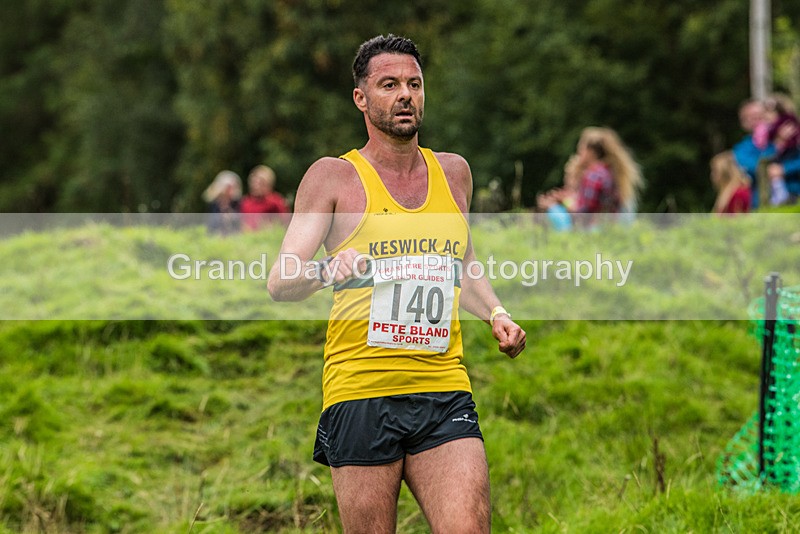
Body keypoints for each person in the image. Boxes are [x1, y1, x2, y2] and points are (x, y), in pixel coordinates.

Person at [267, 34, 526, 533]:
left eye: (414, 83)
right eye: (389, 84)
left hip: (442, 387)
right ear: (361, 98)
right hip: (361, 390)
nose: (405, 94)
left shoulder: (454, 174)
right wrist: (327, 269)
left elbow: (463, 263)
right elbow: (281, 279)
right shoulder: (333, 178)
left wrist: (497, 314)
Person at [732, 99, 774, 208]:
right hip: (759, 203)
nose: (758, 121)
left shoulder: (783, 140)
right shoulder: (740, 149)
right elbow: (753, 168)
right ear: (744, 123)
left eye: (761, 116)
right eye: (753, 117)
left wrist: (784, 169)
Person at [240, 164, 291, 230]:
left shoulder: (276, 201)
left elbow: (285, 223)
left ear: (269, 185)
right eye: (254, 182)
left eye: (261, 183)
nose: (255, 186)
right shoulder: (245, 202)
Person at [202, 170, 242, 235]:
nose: (229, 190)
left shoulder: (238, 204)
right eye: (228, 187)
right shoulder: (213, 205)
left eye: (233, 187)